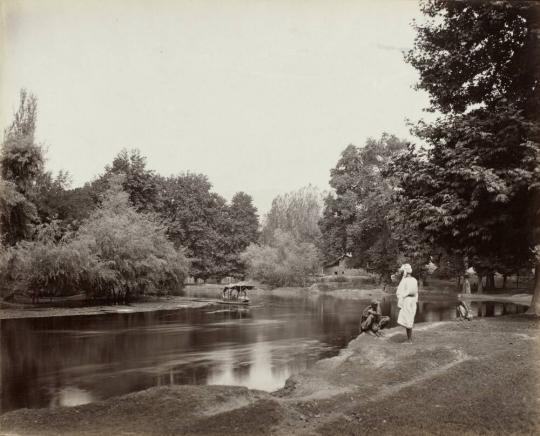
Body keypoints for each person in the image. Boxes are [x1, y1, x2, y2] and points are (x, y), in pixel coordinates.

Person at [396, 263, 418, 343]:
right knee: (409, 319)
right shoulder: (414, 280)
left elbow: (399, 292)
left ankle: (409, 340)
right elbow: (416, 292)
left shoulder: (405, 281)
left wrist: (401, 300)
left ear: (405, 272)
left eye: (403, 272)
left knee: (408, 320)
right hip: (412, 301)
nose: (402, 274)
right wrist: (415, 300)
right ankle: (409, 339)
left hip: (407, 301)